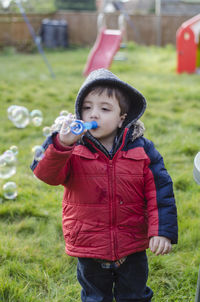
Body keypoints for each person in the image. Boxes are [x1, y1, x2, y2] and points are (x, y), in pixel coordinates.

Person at [31, 68, 178, 302]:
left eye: (104, 108)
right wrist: (61, 144)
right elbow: (46, 174)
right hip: (89, 244)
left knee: (134, 295)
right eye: (87, 108)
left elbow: (160, 190)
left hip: (132, 244)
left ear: (123, 117)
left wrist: (162, 231)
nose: (93, 115)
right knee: (95, 297)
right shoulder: (73, 149)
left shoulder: (141, 149)